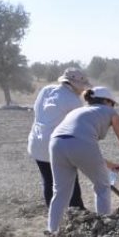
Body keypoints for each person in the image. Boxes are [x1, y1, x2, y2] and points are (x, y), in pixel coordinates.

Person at [47, 87, 119, 232]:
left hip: (55, 143)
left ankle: (52, 232)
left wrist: (110, 165)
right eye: (113, 103)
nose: (113, 107)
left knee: (60, 192)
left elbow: (77, 144)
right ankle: (104, 230)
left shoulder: (77, 111)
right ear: (107, 101)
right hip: (79, 144)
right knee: (103, 186)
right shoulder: (111, 112)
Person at [27, 68, 92, 209]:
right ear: (75, 84)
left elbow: (38, 112)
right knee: (70, 180)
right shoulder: (73, 101)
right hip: (56, 146)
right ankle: (78, 212)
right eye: (82, 86)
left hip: (37, 142)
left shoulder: (46, 90)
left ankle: (54, 215)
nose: (83, 90)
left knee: (49, 180)